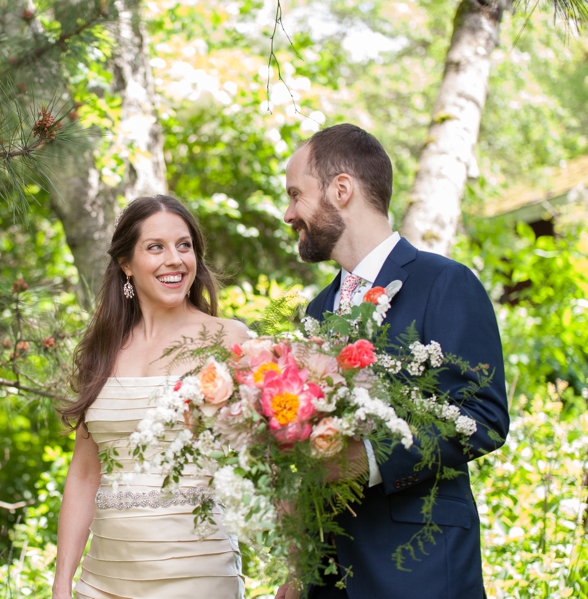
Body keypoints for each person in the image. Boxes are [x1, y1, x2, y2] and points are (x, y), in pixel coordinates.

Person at [276, 124, 509, 599]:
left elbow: (482, 417)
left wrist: (370, 459)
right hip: (328, 578)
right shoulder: (319, 310)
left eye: (296, 195)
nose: (288, 214)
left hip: (417, 568)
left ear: (341, 189)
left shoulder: (445, 283)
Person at [53, 195, 250, 599]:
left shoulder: (229, 339)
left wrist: (298, 561)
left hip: (195, 571)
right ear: (126, 263)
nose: (175, 259)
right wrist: (61, 584)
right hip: (102, 578)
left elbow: (274, 457)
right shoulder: (102, 349)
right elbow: (85, 474)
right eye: (155, 247)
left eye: (184, 245)